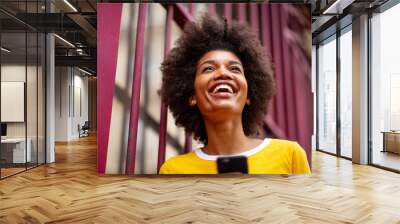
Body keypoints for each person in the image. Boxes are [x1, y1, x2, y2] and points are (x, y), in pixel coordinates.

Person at [159, 15, 310, 174]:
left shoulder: (290, 155)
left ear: (249, 96)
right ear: (192, 96)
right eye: (209, 68)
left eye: (235, 69)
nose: (223, 73)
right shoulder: (174, 170)